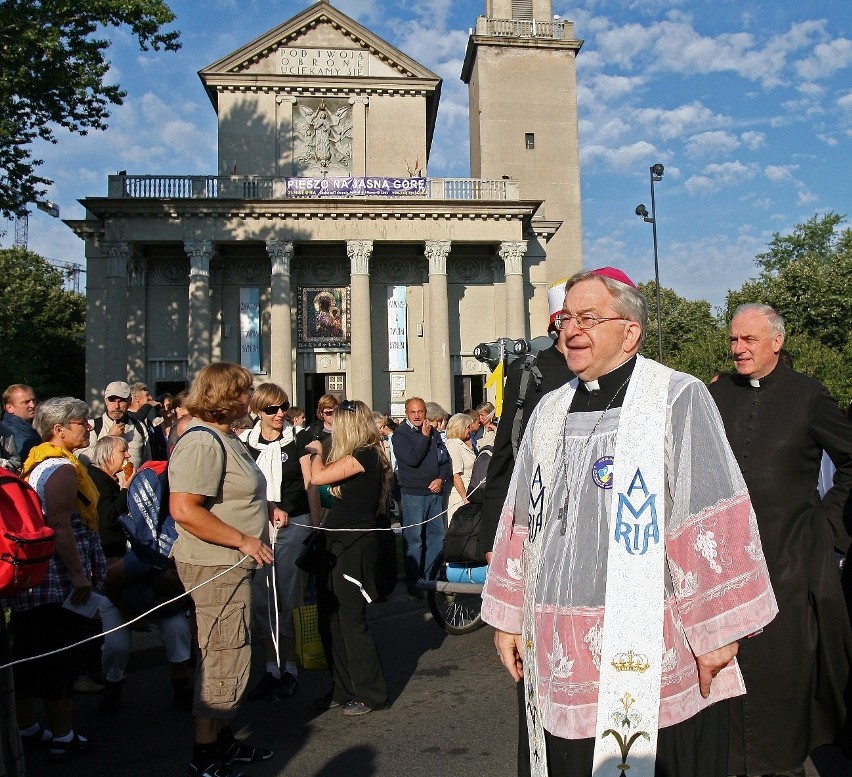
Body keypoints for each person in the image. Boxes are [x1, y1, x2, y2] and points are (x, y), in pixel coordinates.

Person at [483, 268, 778, 777]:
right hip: (556, 641)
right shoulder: (548, 410)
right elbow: (521, 521)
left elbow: (708, 518)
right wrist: (510, 617)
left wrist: (718, 634)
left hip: (648, 639)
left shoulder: (676, 398)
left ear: (630, 332)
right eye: (567, 318)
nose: (571, 330)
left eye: (589, 318)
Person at [708, 303, 852, 777]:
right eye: (733, 340)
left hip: (789, 558)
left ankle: (782, 764)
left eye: (748, 340)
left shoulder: (809, 395)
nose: (738, 348)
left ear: (776, 342)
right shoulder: (716, 395)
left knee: (780, 673)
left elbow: (849, 461)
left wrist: (828, 525)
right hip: (725, 562)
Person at [168, 363, 280, 777]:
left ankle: (224, 742)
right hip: (216, 565)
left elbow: (231, 492)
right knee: (221, 654)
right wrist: (243, 539)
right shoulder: (200, 441)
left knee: (232, 651)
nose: (251, 399)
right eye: (245, 391)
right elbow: (184, 509)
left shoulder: (223, 437)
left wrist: (264, 509)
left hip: (233, 564)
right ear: (224, 396)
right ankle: (205, 755)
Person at [10, 397, 106, 761]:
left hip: (35, 576)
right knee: (58, 658)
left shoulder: (35, 463)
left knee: (29, 654)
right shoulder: (62, 469)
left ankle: (28, 728)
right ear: (59, 429)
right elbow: (60, 525)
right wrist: (80, 575)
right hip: (58, 579)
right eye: (82, 422)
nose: (90, 427)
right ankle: (63, 736)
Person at [85, 436, 193, 716]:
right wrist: (124, 488)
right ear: (108, 455)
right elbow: (109, 521)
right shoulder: (101, 482)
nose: (127, 455)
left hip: (154, 567)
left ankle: (181, 687)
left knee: (177, 629)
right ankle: (113, 690)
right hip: (122, 568)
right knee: (117, 645)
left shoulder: (163, 481)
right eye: (122, 451)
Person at [306, 399, 390, 717]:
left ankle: (371, 693)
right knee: (330, 619)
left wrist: (314, 451)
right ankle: (342, 688)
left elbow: (318, 478)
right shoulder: (358, 455)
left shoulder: (366, 454)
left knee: (351, 621)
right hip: (336, 542)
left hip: (354, 544)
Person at [239, 383, 320, 701]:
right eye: (271, 409)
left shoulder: (298, 438)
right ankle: (272, 669)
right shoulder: (245, 443)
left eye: (283, 406)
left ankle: (291, 669)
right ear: (257, 411)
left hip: (294, 525)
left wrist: (315, 525)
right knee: (262, 601)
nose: (279, 413)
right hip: (258, 529)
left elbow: (311, 483)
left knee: (288, 599)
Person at [392, 397, 451, 597]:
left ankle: (430, 579)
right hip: (413, 494)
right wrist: (424, 438)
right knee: (414, 539)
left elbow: (445, 460)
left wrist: (441, 479)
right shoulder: (400, 435)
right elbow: (412, 459)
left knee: (437, 536)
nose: (417, 416)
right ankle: (414, 582)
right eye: (413, 412)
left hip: (434, 492)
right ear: (406, 413)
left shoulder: (433, 432)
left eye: (420, 412)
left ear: (425, 412)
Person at [80, 381, 151, 469]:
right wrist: (110, 438)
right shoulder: (92, 427)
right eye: (112, 400)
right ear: (106, 401)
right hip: (102, 482)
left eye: (121, 401)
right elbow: (82, 460)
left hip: (134, 482)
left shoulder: (140, 427)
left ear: (130, 401)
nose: (117, 406)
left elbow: (147, 464)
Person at [444, 413, 477, 524]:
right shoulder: (453, 444)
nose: (470, 430)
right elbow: (455, 474)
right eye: (468, 427)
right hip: (458, 495)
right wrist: (464, 498)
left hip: (468, 490)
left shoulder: (462, 443)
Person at [2, 383, 40, 461]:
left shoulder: (28, 427)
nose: (32, 405)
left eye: (33, 400)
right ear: (10, 408)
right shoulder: (10, 433)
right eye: (26, 402)